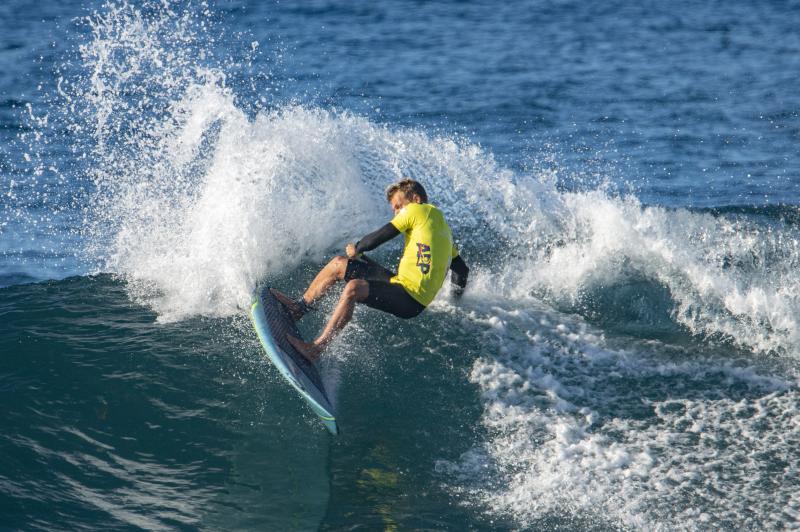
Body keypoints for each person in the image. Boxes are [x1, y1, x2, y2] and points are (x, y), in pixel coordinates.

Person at [271, 179, 469, 361]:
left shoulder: (418, 210)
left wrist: (357, 248)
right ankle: (299, 308)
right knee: (339, 264)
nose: (397, 212)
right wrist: (453, 300)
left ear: (415, 199)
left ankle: (316, 349)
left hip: (410, 298)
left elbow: (379, 237)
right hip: (399, 283)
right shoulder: (443, 229)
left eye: (398, 206)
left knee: (353, 288)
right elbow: (461, 270)